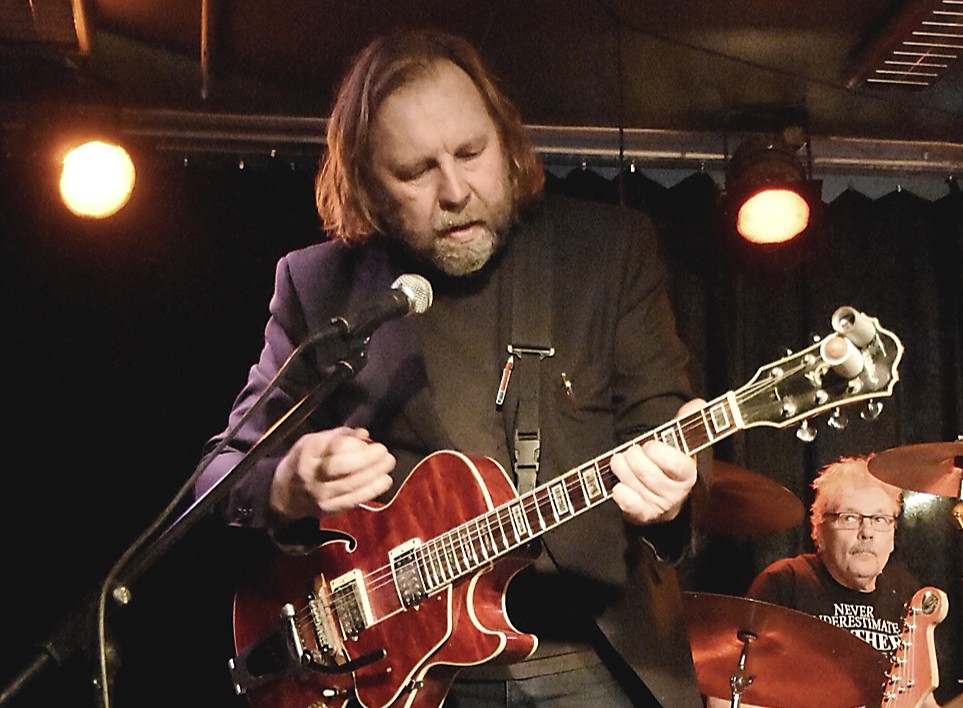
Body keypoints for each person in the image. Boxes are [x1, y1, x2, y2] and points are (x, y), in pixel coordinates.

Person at [194, 28, 707, 708]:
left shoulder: (605, 251)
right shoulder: (319, 285)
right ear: (368, 185)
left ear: (507, 140)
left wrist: (670, 495)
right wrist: (286, 484)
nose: (456, 190)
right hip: (394, 667)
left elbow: (665, 428)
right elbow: (221, 472)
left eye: (471, 153)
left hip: (586, 642)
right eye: (415, 171)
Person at [744, 455, 946, 708]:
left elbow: (924, 702)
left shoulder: (906, 592)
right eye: (850, 517)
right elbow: (728, 687)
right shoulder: (785, 583)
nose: (867, 532)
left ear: (893, 536)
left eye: (880, 519)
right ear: (819, 530)